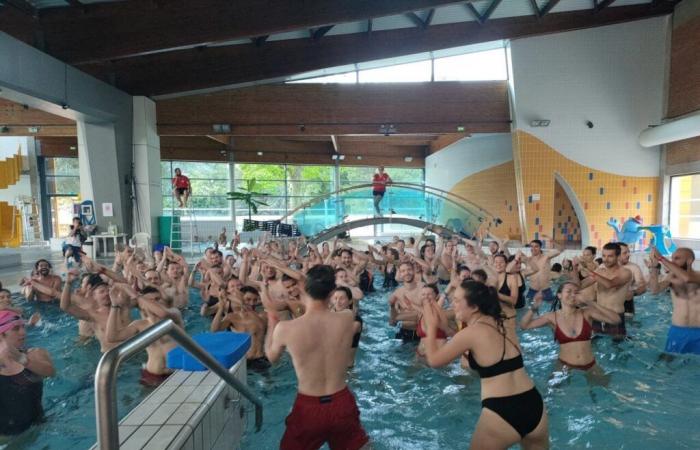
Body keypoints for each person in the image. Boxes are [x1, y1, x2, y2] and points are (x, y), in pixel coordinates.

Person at [421, 281, 548, 449]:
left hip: (503, 410)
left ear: (474, 307)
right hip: (534, 404)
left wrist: (430, 327)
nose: (453, 304)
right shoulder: (500, 323)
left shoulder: (472, 333)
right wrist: (439, 318)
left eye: (457, 300)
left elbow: (434, 360)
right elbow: (457, 336)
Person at [264, 265, 370, 450]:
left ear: (304, 289)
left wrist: (272, 324)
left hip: (309, 406)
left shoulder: (286, 329)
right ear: (331, 292)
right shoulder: (346, 318)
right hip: (341, 401)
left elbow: (271, 357)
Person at [520, 282, 620, 372]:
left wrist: (590, 302)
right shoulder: (551, 317)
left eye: (576, 292)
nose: (573, 295)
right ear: (559, 295)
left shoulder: (587, 312)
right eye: (569, 291)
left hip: (590, 365)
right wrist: (534, 307)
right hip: (565, 367)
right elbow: (524, 326)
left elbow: (616, 320)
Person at [106, 286, 180, 386]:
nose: (155, 303)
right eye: (149, 301)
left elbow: (162, 313)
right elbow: (112, 337)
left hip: (177, 372)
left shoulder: (174, 315)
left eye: (157, 299)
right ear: (142, 305)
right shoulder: (139, 325)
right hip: (152, 375)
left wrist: (137, 296)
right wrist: (114, 306)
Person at [0, 310, 55, 435]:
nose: (23, 332)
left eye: (23, 327)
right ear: (1, 335)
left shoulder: (35, 353)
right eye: (16, 329)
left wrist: (21, 358)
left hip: (38, 430)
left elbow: (50, 372)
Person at [648, 247, 700, 354]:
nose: (673, 262)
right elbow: (654, 290)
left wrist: (661, 258)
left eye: (677, 259)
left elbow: (687, 278)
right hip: (678, 329)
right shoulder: (671, 277)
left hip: (698, 331)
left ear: (689, 260)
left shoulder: (698, 275)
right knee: (667, 362)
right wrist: (654, 268)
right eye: (672, 259)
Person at [579, 242, 632, 340]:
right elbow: (580, 286)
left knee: (617, 351)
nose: (605, 259)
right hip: (598, 315)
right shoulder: (600, 272)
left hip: (615, 316)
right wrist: (574, 268)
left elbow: (610, 284)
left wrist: (586, 269)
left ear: (618, 256)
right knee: (595, 348)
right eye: (603, 256)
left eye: (610, 256)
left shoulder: (625, 272)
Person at [618, 243, 647, 317]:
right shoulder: (605, 267)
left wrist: (633, 293)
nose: (628, 255)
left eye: (628, 252)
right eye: (625, 253)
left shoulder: (633, 268)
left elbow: (643, 287)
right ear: (617, 254)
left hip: (627, 304)